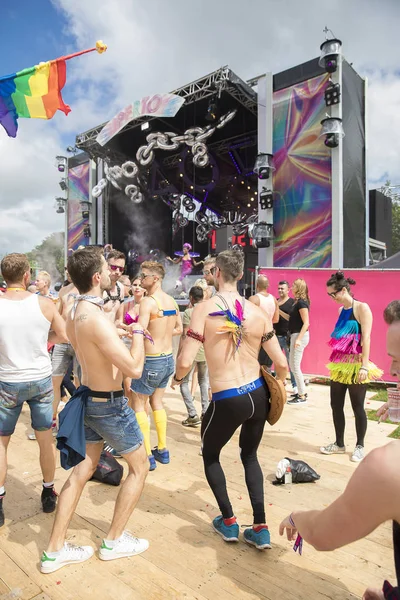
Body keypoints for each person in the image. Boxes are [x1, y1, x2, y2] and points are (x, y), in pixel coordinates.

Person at [280, 299, 400, 600]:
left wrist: (296, 517)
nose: (393, 371)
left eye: (399, 360)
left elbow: (324, 533)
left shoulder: (388, 467)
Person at [41, 247, 149, 573]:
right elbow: (134, 368)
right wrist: (140, 331)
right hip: (110, 406)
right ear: (97, 277)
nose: (111, 273)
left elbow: (91, 338)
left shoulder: (74, 309)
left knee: (82, 470)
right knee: (140, 468)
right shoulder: (94, 317)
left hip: (89, 398)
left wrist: (117, 331)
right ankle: (114, 542)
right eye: (107, 268)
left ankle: (53, 551)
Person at [173, 250, 288, 550]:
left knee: (210, 453)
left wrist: (176, 378)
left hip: (227, 397)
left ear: (217, 273)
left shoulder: (203, 308)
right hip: (258, 395)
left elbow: (185, 361)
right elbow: (282, 364)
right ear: (239, 274)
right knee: (249, 456)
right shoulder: (259, 313)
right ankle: (261, 529)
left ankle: (228, 521)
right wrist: (282, 389)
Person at [0, 253, 67, 527]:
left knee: (2, 443)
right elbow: (63, 335)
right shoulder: (45, 304)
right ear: (27, 275)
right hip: (40, 380)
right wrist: (43, 340)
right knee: (44, 440)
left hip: (7, 381)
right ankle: (48, 491)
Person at [320, 272, 383, 462]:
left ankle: (359, 446)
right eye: (330, 295)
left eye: (333, 294)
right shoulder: (341, 311)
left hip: (357, 365)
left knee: (358, 407)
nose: (332, 298)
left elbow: (366, 338)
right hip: (340, 364)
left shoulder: (362, 308)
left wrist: (364, 366)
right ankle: (339, 443)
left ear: (344, 290)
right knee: (335, 405)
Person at [131, 261, 182, 471]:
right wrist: (160, 333)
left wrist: (129, 327)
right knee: (157, 403)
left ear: (156, 279)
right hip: (168, 359)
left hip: (151, 360)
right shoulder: (171, 301)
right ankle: (163, 449)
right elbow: (178, 328)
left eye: (144, 276)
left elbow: (140, 331)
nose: (141, 280)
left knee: (138, 404)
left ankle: (147, 454)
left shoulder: (148, 302)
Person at [178, 286, 209, 427]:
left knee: (183, 382)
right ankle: (205, 411)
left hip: (191, 351)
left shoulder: (189, 312)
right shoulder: (208, 311)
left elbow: (185, 334)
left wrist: (180, 353)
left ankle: (192, 414)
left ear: (191, 297)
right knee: (203, 381)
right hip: (205, 351)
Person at [286, 278, 310, 405]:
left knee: (295, 366)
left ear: (299, 288)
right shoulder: (296, 303)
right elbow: (291, 318)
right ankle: (300, 392)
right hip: (295, 335)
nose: (292, 286)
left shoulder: (302, 303)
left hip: (299, 335)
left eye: (294, 285)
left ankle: (302, 395)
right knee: (293, 364)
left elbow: (306, 323)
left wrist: (299, 339)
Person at [249, 275, 279, 369]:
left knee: (254, 367)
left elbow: (247, 319)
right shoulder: (274, 299)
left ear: (257, 285)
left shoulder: (253, 299)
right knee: (266, 367)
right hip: (269, 335)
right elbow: (275, 319)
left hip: (256, 337)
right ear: (268, 286)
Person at [275, 280, 297, 393]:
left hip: (286, 337)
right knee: (277, 362)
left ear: (288, 290)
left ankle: (295, 385)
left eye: (282, 288)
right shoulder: (275, 301)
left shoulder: (292, 302)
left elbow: (290, 319)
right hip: (275, 336)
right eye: (278, 288)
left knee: (290, 362)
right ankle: (280, 381)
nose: (280, 290)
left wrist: (278, 310)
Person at [103, 250, 125, 322]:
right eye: (114, 267)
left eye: (121, 269)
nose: (117, 272)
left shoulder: (121, 288)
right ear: (106, 265)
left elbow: (119, 319)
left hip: (112, 331)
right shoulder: (97, 286)